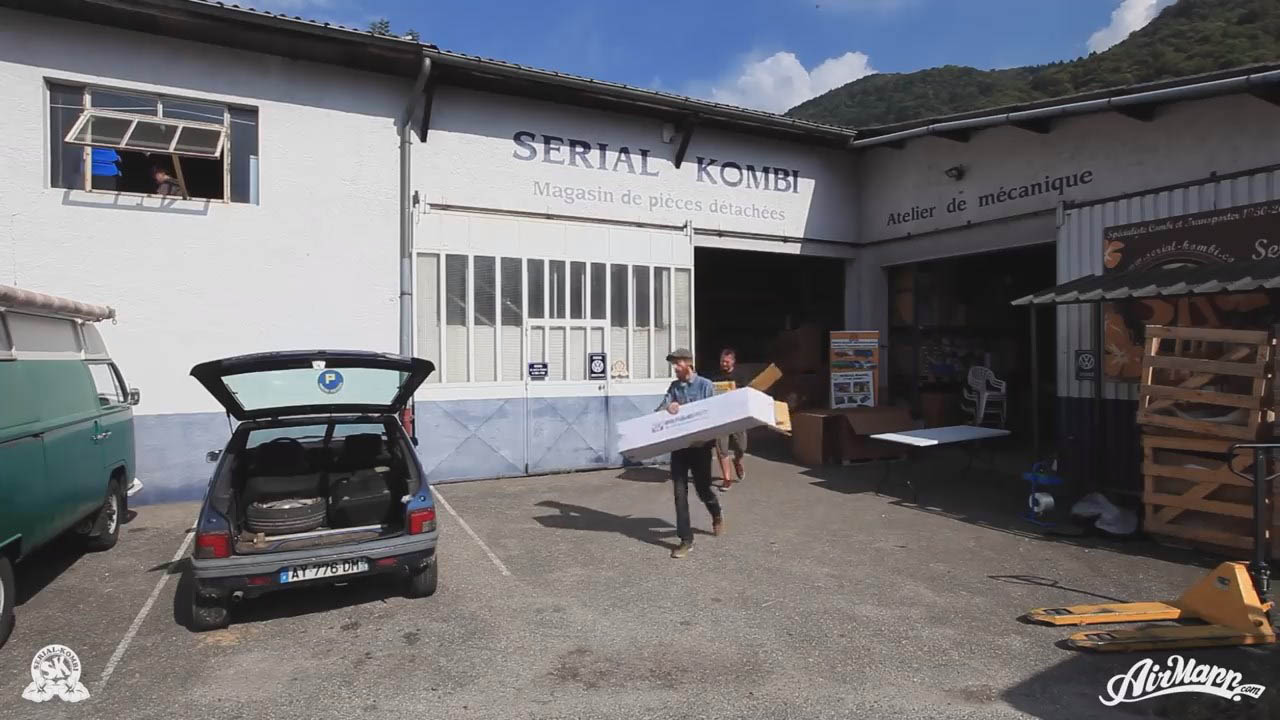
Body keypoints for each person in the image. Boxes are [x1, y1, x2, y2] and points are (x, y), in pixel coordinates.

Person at [657, 347, 723, 559]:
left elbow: (714, 414)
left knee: (703, 490)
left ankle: (716, 513)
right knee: (679, 494)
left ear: (689, 364)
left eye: (678, 364)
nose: (675, 368)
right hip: (680, 449)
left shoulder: (705, 385)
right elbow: (659, 411)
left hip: (700, 448)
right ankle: (686, 540)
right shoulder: (674, 387)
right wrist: (668, 408)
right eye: (673, 365)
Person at [713, 347, 749, 491]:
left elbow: (747, 394)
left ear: (733, 361)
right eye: (722, 361)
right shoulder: (716, 377)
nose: (724, 364)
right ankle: (726, 479)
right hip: (721, 417)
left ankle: (738, 461)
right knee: (722, 449)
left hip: (737, 416)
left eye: (726, 362)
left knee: (741, 447)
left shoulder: (741, 376)